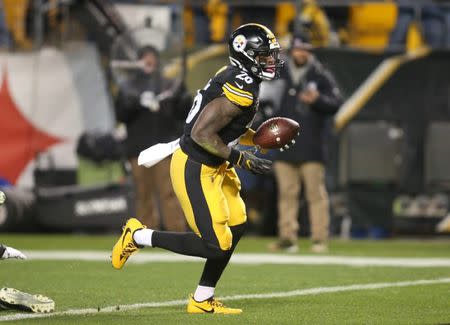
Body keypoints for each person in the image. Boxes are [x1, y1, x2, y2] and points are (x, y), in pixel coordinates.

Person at [112, 23, 285, 314]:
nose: (270, 61)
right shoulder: (241, 87)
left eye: (271, 55)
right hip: (196, 164)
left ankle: (202, 299)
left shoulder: (237, 78)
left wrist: (254, 138)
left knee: (237, 225)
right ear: (246, 55)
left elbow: (227, 125)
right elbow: (201, 134)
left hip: (213, 163)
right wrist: (240, 159)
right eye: (264, 55)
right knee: (216, 245)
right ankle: (138, 235)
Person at [268, 33, 343, 254]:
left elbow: (337, 103)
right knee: (286, 194)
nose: (302, 53)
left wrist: (318, 100)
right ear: (292, 51)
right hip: (284, 143)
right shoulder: (279, 74)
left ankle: (319, 239)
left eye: (306, 50)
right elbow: (266, 101)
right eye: (299, 49)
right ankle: (287, 238)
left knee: (315, 195)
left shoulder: (320, 74)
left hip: (312, 144)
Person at [115, 45, 191, 232]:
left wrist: (182, 97)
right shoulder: (128, 86)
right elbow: (121, 114)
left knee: (169, 192)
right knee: (142, 193)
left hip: (165, 146)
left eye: (152, 57)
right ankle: (144, 234)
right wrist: (135, 102)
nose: (149, 61)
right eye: (145, 57)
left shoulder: (169, 84)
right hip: (138, 149)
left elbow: (183, 112)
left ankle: (176, 232)